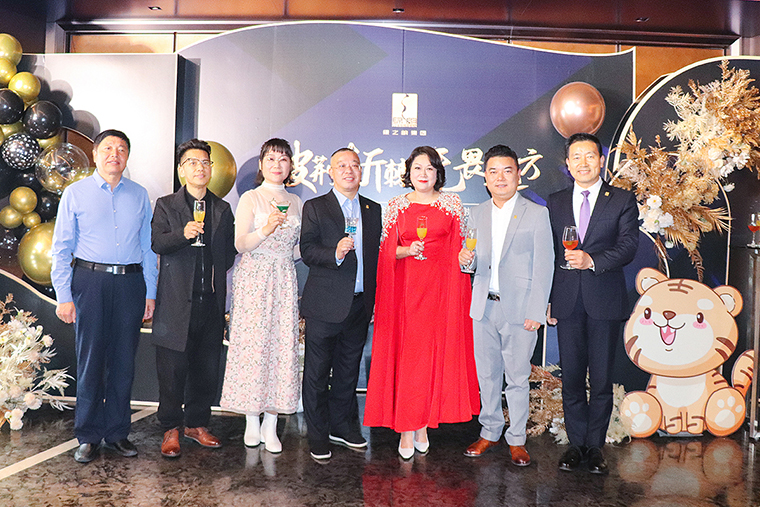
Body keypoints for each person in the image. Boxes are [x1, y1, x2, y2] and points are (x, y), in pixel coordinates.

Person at [364, 145, 479, 460]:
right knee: (408, 360)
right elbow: (384, 252)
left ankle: (423, 425)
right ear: (409, 173)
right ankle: (405, 428)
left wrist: (465, 257)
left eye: (429, 168)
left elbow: (460, 247)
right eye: (417, 168)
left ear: (438, 172)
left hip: (440, 295)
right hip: (405, 294)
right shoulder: (396, 205)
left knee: (430, 360)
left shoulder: (452, 204)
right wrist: (405, 250)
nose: (423, 174)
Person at [51, 129, 158, 463]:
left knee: (124, 361)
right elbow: (61, 249)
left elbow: (148, 248)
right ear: (95, 154)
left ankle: (117, 433)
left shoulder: (139, 195)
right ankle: (87, 435)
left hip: (130, 283)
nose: (115, 154)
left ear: (127, 157)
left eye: (122, 149)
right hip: (90, 282)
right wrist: (64, 295)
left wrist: (150, 292)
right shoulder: (75, 193)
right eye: (108, 148)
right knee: (91, 360)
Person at [546, 132, 639, 474]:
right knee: (571, 378)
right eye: (576, 157)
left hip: (604, 300)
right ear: (567, 164)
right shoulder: (555, 202)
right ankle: (575, 445)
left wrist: (592, 260)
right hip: (567, 301)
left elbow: (628, 247)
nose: (583, 163)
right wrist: (548, 300)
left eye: (589, 156)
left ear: (601, 161)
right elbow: (548, 253)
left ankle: (595, 448)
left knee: (601, 380)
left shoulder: (622, 199)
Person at [458, 144, 554, 466]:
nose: (500, 178)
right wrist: (466, 260)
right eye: (493, 171)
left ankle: (517, 440)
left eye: (507, 171)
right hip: (484, 307)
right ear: (485, 177)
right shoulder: (477, 213)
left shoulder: (536, 213)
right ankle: (489, 431)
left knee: (517, 378)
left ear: (518, 175)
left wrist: (536, 311)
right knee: (487, 376)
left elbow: (544, 266)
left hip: (520, 310)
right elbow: (474, 262)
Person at [151, 139, 236, 458]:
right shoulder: (166, 205)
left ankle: (197, 424)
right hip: (175, 302)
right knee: (172, 370)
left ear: (211, 169)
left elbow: (227, 255)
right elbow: (157, 243)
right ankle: (171, 427)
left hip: (210, 302)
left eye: (205, 162)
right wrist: (181, 235)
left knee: (206, 368)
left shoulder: (222, 209)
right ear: (181, 170)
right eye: (193, 162)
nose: (200, 168)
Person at [219, 138, 302, 454]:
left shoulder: (296, 202)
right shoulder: (251, 198)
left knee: (280, 348)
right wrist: (266, 229)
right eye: (271, 159)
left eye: (283, 159)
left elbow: (296, 249)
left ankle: (272, 421)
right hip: (254, 278)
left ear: (290, 165)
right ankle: (251, 420)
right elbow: (240, 244)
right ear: (261, 165)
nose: (277, 165)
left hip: (284, 279)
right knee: (254, 348)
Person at [300, 148, 382, 461]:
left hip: (360, 306)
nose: (349, 170)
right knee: (317, 375)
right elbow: (307, 250)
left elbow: (376, 259)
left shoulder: (372, 209)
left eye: (355, 165)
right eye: (342, 166)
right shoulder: (316, 206)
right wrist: (334, 253)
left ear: (361, 171)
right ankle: (318, 435)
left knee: (348, 373)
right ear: (330, 172)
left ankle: (342, 427)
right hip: (324, 305)